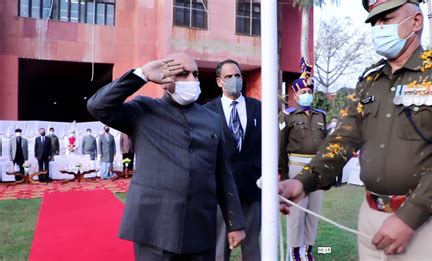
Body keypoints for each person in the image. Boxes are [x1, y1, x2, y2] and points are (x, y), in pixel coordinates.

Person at [279, 1, 432, 260]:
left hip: (428, 222)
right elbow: (342, 139)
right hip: (371, 217)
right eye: (376, 22)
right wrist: (303, 182)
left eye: (388, 19)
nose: (379, 28)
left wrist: (409, 216)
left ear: (416, 21)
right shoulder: (370, 80)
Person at [87, 52, 246, 260]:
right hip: (154, 228)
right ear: (164, 80)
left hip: (200, 228)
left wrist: (235, 224)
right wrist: (141, 75)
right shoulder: (143, 110)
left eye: (195, 74)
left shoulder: (212, 119)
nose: (192, 80)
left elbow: (223, 175)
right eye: (183, 74)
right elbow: (97, 106)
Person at [205, 59, 262, 261]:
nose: (234, 80)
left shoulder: (259, 108)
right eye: (228, 77)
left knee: (253, 248)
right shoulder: (207, 111)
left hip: (252, 190)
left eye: (237, 76)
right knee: (219, 250)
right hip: (220, 193)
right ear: (219, 81)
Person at [278, 58, 327, 261]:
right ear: (296, 95)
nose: (307, 95)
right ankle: (295, 252)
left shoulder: (321, 115)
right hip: (296, 168)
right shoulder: (287, 116)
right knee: (296, 214)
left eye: (309, 91)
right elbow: (280, 146)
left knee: (313, 213)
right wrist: (280, 173)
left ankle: (308, 250)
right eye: (303, 92)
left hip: (316, 170)